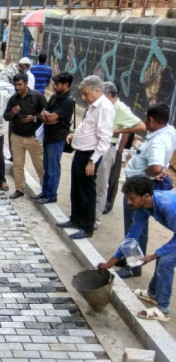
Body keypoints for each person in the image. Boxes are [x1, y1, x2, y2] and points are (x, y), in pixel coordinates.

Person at [98, 176, 176, 322]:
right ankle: (153, 294)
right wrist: (109, 264)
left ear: (146, 196)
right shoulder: (143, 208)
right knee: (163, 257)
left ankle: (163, 310)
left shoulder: (168, 207)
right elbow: (131, 237)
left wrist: (152, 256)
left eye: (132, 198)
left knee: (165, 262)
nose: (128, 202)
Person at [117, 103, 176, 278]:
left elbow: (156, 168)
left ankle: (134, 265)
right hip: (142, 184)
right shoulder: (169, 131)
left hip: (140, 186)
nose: (144, 121)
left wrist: (152, 173)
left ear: (151, 119)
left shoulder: (158, 141)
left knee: (136, 227)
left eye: (146, 118)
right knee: (136, 225)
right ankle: (129, 258)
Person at [56, 75, 114, 239]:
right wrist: (74, 134)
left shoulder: (104, 107)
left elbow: (104, 138)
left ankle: (87, 227)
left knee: (87, 192)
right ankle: (75, 219)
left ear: (97, 90)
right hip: (81, 152)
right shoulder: (93, 106)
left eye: (86, 94)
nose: (83, 97)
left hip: (90, 155)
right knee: (76, 188)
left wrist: (92, 161)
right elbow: (87, 125)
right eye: (83, 93)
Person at [95, 82, 146, 227]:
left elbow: (137, 126)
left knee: (108, 181)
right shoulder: (104, 106)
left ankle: (105, 207)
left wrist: (119, 146)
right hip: (102, 147)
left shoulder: (121, 108)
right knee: (101, 180)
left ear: (109, 94)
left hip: (113, 147)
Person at [4, 72, 47, 200]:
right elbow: (6, 117)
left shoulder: (38, 97)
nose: (17, 88)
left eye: (20, 85)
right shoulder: (13, 99)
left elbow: (47, 114)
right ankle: (19, 189)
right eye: (15, 85)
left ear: (26, 83)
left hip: (33, 138)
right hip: (16, 137)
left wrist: (34, 118)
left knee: (39, 165)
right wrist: (13, 112)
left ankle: (45, 190)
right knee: (17, 165)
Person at [35, 72, 75, 204]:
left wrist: (49, 117)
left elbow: (52, 117)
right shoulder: (54, 97)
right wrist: (49, 118)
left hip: (57, 139)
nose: (54, 86)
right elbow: (42, 114)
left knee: (53, 169)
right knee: (46, 167)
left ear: (66, 85)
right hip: (48, 136)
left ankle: (51, 195)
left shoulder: (68, 101)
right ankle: (45, 191)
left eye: (57, 84)